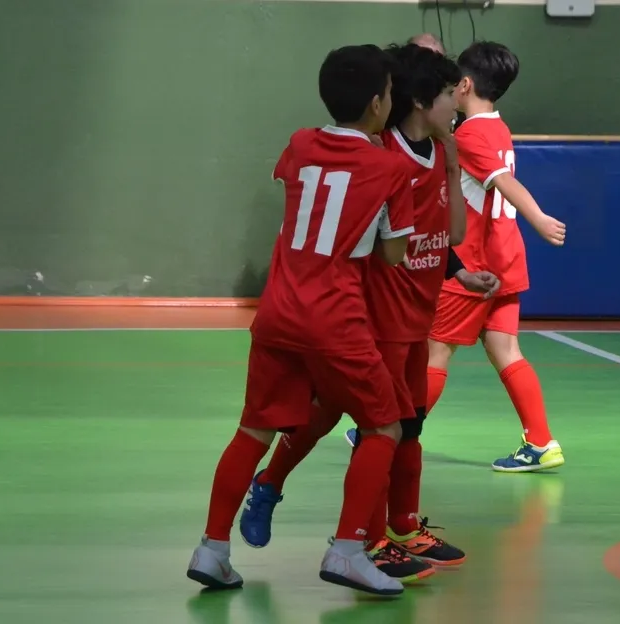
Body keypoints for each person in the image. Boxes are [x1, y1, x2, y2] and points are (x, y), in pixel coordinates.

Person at [237, 43, 498, 581]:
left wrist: (457, 267)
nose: (457, 103)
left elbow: (448, 233)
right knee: (359, 423)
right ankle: (363, 538)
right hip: (372, 318)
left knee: (406, 425)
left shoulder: (438, 152)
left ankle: (400, 526)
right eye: (449, 94)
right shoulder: (383, 154)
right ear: (420, 101)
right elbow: (375, 238)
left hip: (417, 316)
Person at [185, 43, 416, 596]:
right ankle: (347, 550)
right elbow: (393, 255)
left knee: (253, 429)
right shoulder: (392, 167)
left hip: (277, 313)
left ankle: (212, 550)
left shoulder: (300, 143)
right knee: (384, 426)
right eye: (388, 93)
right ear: (378, 104)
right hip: (334, 317)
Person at [426, 41, 568, 472]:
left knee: (434, 352)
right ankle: (541, 441)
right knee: (506, 350)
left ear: (465, 85)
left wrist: (539, 218)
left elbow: (503, 181)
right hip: (507, 259)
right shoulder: (499, 128)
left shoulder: (469, 135)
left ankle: (394, 430)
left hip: (475, 262)